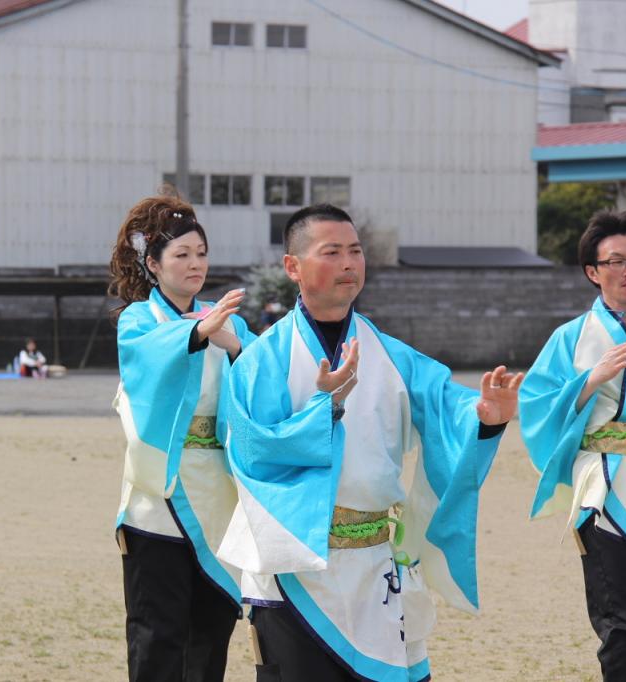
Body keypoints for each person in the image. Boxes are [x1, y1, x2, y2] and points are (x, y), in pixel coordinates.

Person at [218, 204, 522, 682]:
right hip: (293, 570)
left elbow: (446, 404)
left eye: (355, 251)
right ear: (293, 267)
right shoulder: (262, 359)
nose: (348, 263)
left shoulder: (390, 353)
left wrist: (485, 418)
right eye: (332, 251)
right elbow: (251, 450)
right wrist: (328, 409)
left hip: (375, 560)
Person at [109, 194, 256, 682]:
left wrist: (233, 344)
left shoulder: (226, 319)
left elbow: (263, 382)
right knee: (157, 633)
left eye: (201, 253)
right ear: (153, 264)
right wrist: (194, 335)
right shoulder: (138, 320)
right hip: (159, 497)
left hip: (218, 496)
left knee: (211, 632)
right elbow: (144, 360)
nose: (195, 264)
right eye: (181, 255)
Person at [519, 209, 626, 681]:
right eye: (616, 261)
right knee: (619, 620)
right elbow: (535, 405)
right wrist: (590, 379)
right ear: (593, 272)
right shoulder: (571, 338)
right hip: (603, 487)